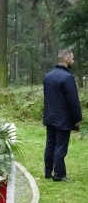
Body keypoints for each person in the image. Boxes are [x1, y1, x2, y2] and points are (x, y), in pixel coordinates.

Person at [43, 49, 82, 182]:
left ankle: (48, 172)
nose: (73, 61)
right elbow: (73, 100)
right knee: (60, 146)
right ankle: (59, 174)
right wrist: (77, 117)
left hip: (50, 115)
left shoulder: (48, 76)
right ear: (67, 60)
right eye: (72, 59)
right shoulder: (67, 77)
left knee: (50, 144)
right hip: (63, 118)